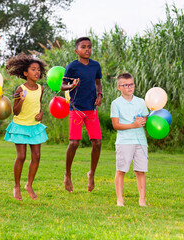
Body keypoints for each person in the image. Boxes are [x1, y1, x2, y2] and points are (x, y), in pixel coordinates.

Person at [60, 37, 103, 193]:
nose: (87, 49)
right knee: (74, 143)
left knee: (97, 142)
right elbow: (63, 85)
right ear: (76, 51)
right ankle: (67, 173)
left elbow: (98, 82)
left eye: (89, 47)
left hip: (91, 109)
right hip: (76, 109)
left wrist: (100, 94)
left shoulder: (95, 66)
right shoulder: (72, 66)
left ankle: (91, 173)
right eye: (84, 47)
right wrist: (71, 85)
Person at [4, 53, 49, 200]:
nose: (37, 72)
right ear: (25, 73)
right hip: (20, 126)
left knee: (36, 156)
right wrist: (21, 100)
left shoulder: (41, 88)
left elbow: (39, 104)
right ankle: (16, 186)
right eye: (33, 69)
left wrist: (41, 113)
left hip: (34, 126)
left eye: (38, 70)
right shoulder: (20, 89)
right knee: (21, 156)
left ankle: (29, 185)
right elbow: (15, 111)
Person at [111, 73, 149, 207]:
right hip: (124, 141)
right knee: (121, 170)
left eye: (131, 84)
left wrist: (143, 120)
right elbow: (116, 125)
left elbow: (146, 119)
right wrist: (133, 125)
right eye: (125, 85)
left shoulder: (141, 102)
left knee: (140, 171)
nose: (129, 87)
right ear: (119, 87)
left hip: (140, 141)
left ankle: (142, 200)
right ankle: (120, 199)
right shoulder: (116, 104)